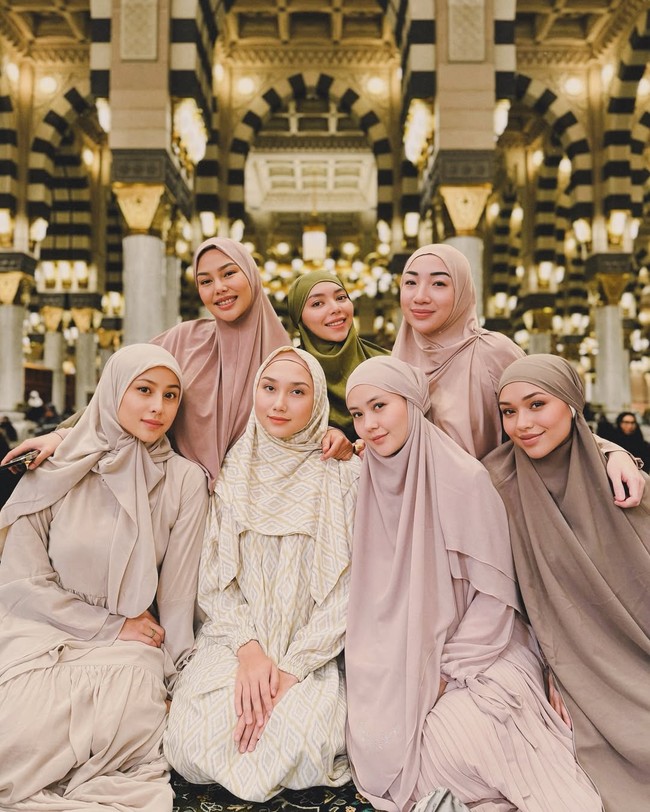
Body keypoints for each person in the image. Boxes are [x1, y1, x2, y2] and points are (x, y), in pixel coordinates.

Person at [344, 355, 602, 812]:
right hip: (393, 649)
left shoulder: (465, 478)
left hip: (481, 650)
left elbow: (496, 599)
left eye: (380, 406)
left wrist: (447, 671)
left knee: (463, 733)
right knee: (377, 748)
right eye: (358, 414)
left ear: (410, 403)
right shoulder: (360, 478)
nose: (369, 425)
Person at [0, 344, 208, 810]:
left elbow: (177, 597)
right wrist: (108, 625)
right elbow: (21, 581)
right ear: (114, 390)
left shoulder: (183, 481)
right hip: (40, 629)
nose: (158, 407)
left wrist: (178, 680)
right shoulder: (56, 467)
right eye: (144, 390)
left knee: (136, 693)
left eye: (172, 396)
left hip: (127, 648)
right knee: (17, 721)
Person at [164, 347, 360, 801]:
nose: (278, 404)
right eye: (269, 389)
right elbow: (214, 580)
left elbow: (348, 593)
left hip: (308, 647)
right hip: (237, 639)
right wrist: (250, 654)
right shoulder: (234, 468)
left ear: (317, 403)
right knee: (194, 741)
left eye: (297, 392)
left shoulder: (343, 476)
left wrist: (291, 668)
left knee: (301, 742)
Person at [2, 238, 352, 483]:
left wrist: (334, 435)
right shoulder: (182, 340)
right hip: (172, 499)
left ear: (252, 276)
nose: (219, 288)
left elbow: (306, 428)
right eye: (205, 280)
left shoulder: (284, 362)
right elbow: (117, 391)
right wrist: (62, 435)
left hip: (248, 511)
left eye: (229, 273)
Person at [483, 354, 650, 812]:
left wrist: (617, 452)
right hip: (570, 657)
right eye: (509, 411)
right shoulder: (496, 481)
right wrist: (550, 664)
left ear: (572, 405)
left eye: (537, 404)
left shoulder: (626, 481)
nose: (522, 423)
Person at [392, 243, 645, 506]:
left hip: (488, 511)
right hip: (411, 512)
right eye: (410, 283)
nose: (420, 296)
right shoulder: (394, 365)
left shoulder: (491, 352)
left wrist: (612, 452)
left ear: (463, 291)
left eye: (439, 284)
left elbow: (551, 416)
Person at [287, 269, 388, 442]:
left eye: (341, 298)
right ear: (299, 318)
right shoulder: (289, 371)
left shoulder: (386, 365)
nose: (336, 308)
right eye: (317, 303)